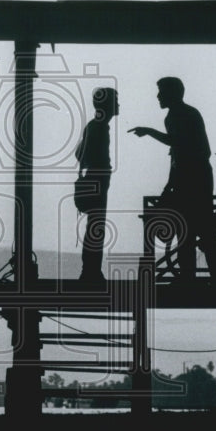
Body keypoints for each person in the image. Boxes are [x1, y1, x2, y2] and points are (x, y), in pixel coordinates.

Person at [129, 77, 216, 284]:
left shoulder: (179, 116)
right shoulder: (183, 114)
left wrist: (149, 131)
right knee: (197, 229)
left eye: (161, 92)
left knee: (192, 230)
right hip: (196, 177)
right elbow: (177, 154)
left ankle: (194, 277)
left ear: (172, 93)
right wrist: (170, 184)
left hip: (193, 179)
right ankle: (213, 276)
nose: (157, 96)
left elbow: (177, 145)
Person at [74, 87, 119, 284]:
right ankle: (91, 272)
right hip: (98, 179)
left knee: (94, 225)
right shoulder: (99, 126)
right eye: (115, 101)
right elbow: (86, 153)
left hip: (95, 178)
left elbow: (79, 153)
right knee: (96, 226)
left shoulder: (94, 125)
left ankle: (91, 271)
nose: (118, 105)